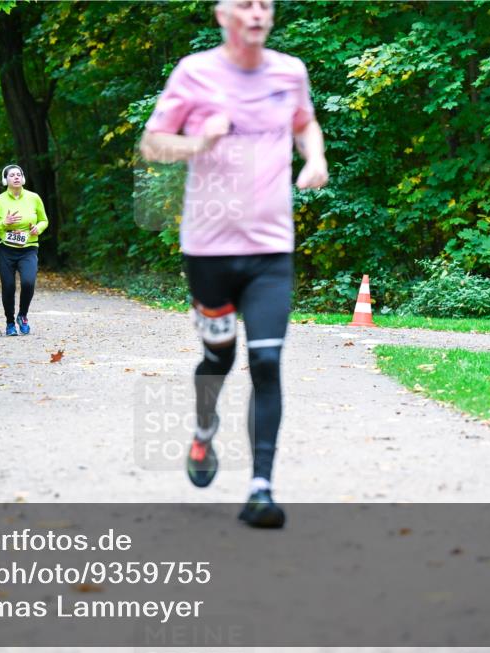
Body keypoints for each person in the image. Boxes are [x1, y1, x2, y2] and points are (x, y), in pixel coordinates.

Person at [139, 0, 328, 528]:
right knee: (218, 358)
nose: (257, 12)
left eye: (265, 4)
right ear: (223, 14)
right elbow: (153, 144)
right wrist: (200, 141)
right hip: (209, 249)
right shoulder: (194, 73)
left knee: (267, 362)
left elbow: (305, 123)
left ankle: (261, 489)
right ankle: (204, 431)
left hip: (271, 249)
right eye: (245, 4)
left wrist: (315, 158)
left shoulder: (289, 71)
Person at [0, 164, 48, 336]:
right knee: (9, 286)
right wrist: (4, 223)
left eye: (19, 174)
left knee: (28, 282)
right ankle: (10, 323)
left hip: (28, 248)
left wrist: (37, 229)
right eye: (12, 175)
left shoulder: (34, 198)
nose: (16, 177)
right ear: (6, 180)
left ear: (23, 178)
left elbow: (44, 220)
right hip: (5, 249)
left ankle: (23, 315)